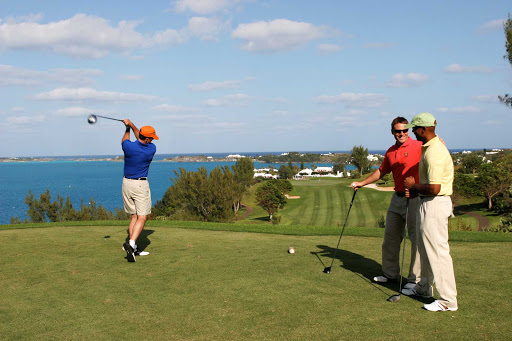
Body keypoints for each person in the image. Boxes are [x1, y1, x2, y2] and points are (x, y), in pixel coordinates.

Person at [351, 117, 421, 289]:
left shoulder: (419, 146)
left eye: (405, 130)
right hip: (397, 198)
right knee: (390, 238)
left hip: (414, 198)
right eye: (398, 131)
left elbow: (435, 153)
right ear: (392, 132)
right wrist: (362, 183)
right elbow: (382, 171)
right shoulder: (390, 152)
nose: (402, 133)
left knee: (416, 240)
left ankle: (415, 281)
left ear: (409, 131)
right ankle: (390, 274)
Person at [402, 112, 458, 312]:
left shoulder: (434, 151)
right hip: (428, 203)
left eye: (414, 128)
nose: (412, 132)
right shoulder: (430, 147)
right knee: (425, 248)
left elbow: (434, 187)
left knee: (437, 252)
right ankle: (425, 287)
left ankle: (448, 300)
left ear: (423, 129)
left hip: (435, 202)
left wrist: (413, 185)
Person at [121, 119, 159, 262]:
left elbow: (131, 138)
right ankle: (131, 244)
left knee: (134, 216)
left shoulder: (128, 147)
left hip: (126, 184)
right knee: (142, 217)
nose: (153, 140)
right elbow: (140, 137)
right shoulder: (151, 149)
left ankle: (133, 249)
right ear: (148, 138)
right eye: (152, 138)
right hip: (140, 186)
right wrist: (131, 124)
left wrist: (127, 128)